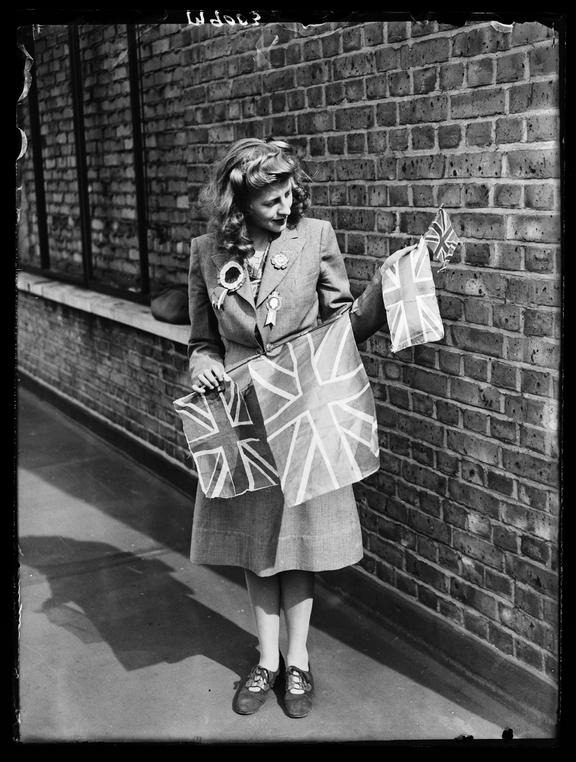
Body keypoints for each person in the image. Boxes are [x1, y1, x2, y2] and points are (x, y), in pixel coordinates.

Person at [186, 137, 371, 719]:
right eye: (272, 200)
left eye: (290, 193)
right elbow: (201, 342)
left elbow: (343, 325)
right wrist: (206, 363)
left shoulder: (316, 238)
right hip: (242, 417)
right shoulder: (206, 252)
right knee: (255, 543)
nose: (286, 206)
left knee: (298, 546)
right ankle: (265, 659)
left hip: (303, 407)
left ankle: (297, 662)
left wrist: (384, 296)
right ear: (238, 204)